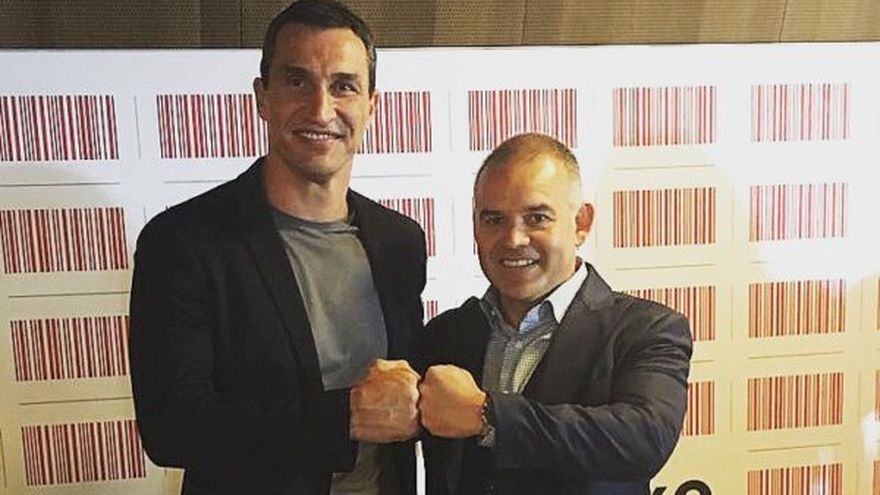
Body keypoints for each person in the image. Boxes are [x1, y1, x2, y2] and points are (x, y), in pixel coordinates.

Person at [128, 1, 425, 494]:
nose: (321, 109)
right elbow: (171, 426)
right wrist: (345, 416)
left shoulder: (401, 241)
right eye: (297, 81)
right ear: (262, 97)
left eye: (343, 86)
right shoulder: (181, 242)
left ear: (371, 107)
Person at [416, 133, 692, 494]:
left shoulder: (647, 329)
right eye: (494, 219)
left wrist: (487, 414)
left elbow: (643, 439)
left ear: (581, 223)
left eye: (536, 218)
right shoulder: (445, 335)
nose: (513, 239)